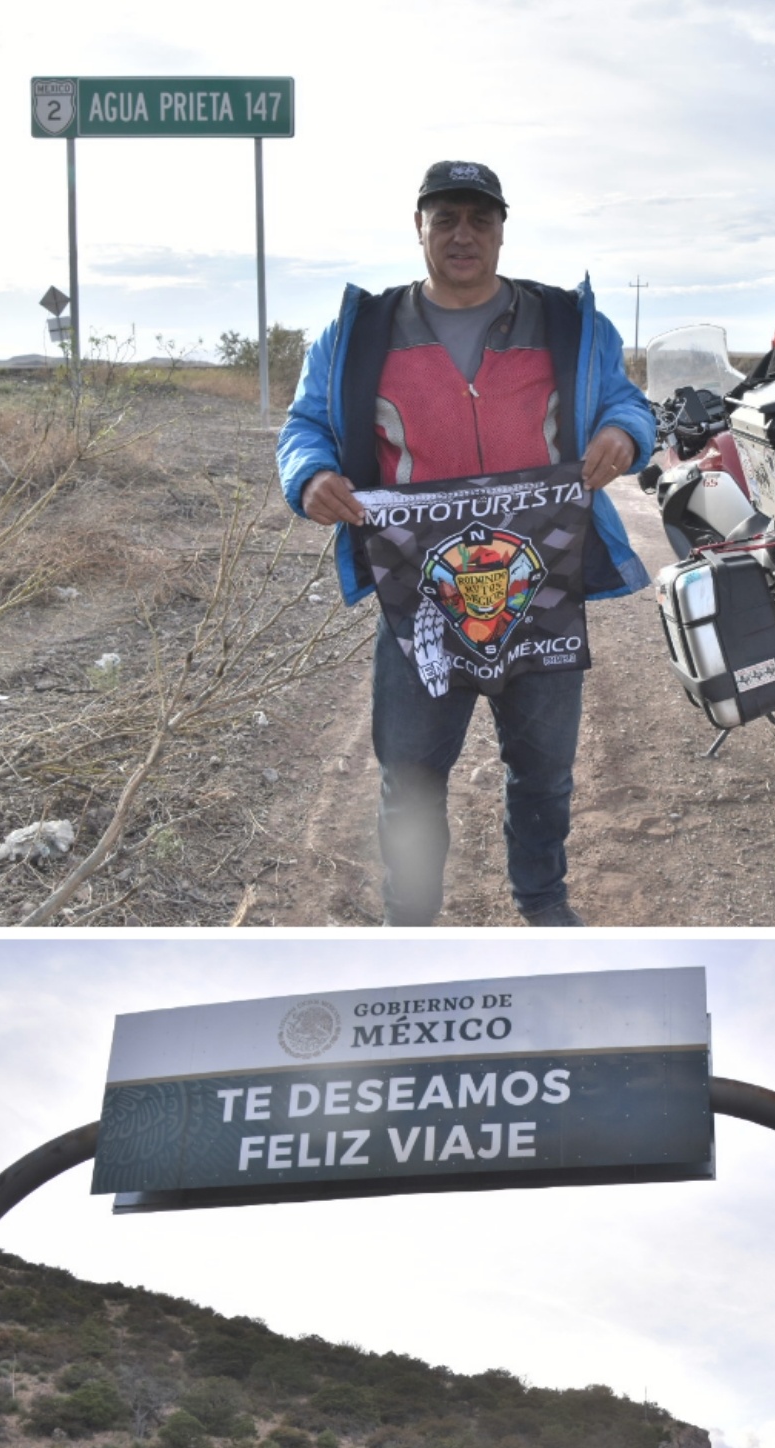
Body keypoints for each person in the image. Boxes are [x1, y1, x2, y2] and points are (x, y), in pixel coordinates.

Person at [277, 160, 655, 927]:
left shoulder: (568, 322)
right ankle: (408, 920)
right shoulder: (360, 332)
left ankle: (543, 901)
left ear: (502, 230)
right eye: (444, 218)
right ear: (417, 228)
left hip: (544, 590)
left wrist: (624, 432)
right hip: (419, 595)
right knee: (411, 775)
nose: (462, 235)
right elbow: (305, 427)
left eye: (480, 219)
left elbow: (624, 400)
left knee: (544, 772)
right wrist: (309, 475)